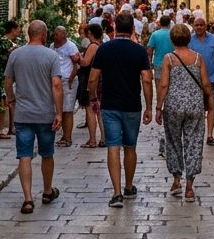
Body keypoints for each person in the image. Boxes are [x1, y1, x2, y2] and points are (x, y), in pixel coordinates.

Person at [88, 12, 153, 208]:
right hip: (132, 105)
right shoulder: (139, 51)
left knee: (113, 147)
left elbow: (93, 78)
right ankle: (129, 185)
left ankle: (116, 193)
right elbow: (147, 80)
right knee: (130, 146)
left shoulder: (104, 49)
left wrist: (93, 97)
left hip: (110, 105)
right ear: (133, 29)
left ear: (115, 28)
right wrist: (149, 106)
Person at [3, 21, 63, 215]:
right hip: (45, 114)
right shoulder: (52, 56)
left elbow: (7, 81)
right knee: (47, 154)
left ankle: (28, 199)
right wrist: (59, 112)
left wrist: (11, 100)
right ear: (44, 35)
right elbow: (56, 85)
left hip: (23, 114)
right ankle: (47, 191)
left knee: (24, 155)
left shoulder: (16, 55)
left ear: (29, 34)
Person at [155, 23, 211, 201]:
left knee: (173, 142)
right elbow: (206, 84)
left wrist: (158, 107)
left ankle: (176, 179)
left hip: (173, 107)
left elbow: (164, 84)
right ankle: (189, 186)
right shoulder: (198, 58)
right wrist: (209, 101)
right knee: (194, 142)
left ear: (172, 40)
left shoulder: (169, 59)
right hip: (194, 106)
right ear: (189, 38)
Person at [189, 15, 214, 146]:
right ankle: (196, 133)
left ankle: (209, 134)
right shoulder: (190, 40)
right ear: (193, 26)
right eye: (196, 25)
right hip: (194, 80)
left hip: (212, 78)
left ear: (205, 26)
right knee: (196, 108)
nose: (198, 27)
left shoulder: (213, 39)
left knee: (211, 106)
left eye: (201, 25)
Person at [51, 25, 81, 147]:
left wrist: (70, 79)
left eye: (57, 34)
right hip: (56, 81)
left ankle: (68, 137)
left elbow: (77, 64)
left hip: (67, 81)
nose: (54, 36)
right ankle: (64, 135)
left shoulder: (70, 46)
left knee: (68, 110)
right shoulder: (52, 46)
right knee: (60, 110)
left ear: (63, 35)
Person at [0, 20, 22, 139]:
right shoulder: (4, 43)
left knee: (9, 102)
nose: (19, 31)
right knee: (3, 102)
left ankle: (11, 128)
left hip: (9, 77)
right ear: (13, 29)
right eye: (18, 28)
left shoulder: (11, 43)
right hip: (3, 77)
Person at [77, 23, 103, 147]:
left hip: (90, 80)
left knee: (91, 110)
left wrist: (77, 58)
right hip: (99, 80)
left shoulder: (92, 46)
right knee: (99, 110)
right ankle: (104, 138)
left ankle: (92, 139)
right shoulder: (101, 45)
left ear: (90, 33)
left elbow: (85, 63)